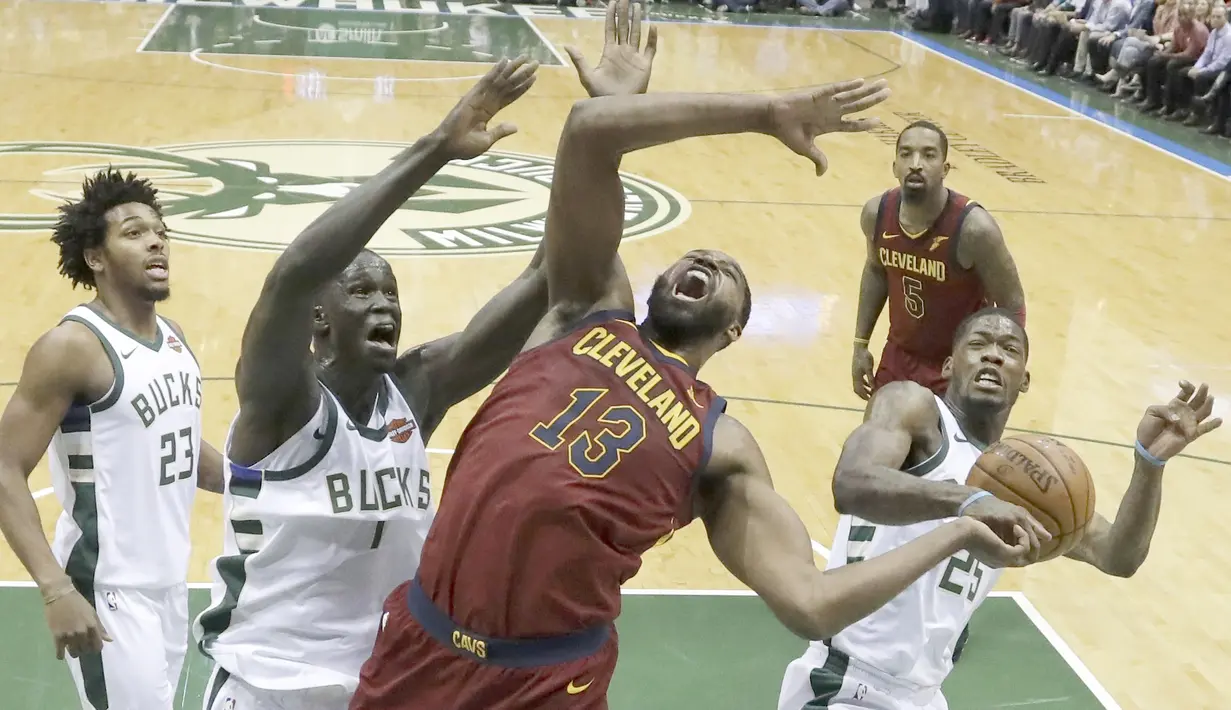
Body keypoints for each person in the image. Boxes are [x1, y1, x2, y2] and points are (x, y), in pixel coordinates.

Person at [350, 5, 1033, 709]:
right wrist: (760, 112)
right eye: (694, 256)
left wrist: (959, 527)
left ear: (733, 329)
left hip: (546, 682)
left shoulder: (721, 447)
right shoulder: (584, 311)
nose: (705, 255)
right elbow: (587, 138)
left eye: (727, 272)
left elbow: (810, 603)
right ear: (658, 285)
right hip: (421, 645)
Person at [191, 56, 555, 710]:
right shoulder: (283, 402)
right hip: (268, 682)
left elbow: (542, 285)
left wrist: (598, 143)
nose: (385, 304)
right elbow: (294, 275)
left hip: (386, 683)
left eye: (391, 292)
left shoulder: (414, 392)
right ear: (321, 318)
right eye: (362, 290)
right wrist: (435, 150)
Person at [780, 307, 1221, 710]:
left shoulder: (1022, 476)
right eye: (978, 345)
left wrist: (1150, 462)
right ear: (950, 365)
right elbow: (851, 482)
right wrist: (970, 501)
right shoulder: (914, 408)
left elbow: (1117, 556)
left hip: (923, 697)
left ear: (1024, 379)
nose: (993, 355)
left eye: (1009, 350)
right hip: (847, 686)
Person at [0, 169, 224, 710]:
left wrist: (267, 482)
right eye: (133, 232)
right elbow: (4, 466)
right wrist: (56, 590)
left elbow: (185, 451)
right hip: (108, 594)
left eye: (160, 231)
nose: (156, 241)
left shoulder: (173, 340)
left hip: (169, 587)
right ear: (95, 258)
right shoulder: (71, 346)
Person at [851, 120, 1025, 401]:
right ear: (894, 166)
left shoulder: (974, 228)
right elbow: (875, 270)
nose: (915, 163)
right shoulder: (876, 213)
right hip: (899, 356)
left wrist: (1004, 370)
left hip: (958, 364)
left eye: (929, 155)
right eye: (906, 154)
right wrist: (860, 344)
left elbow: (1012, 305)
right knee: (875, 442)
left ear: (945, 169)